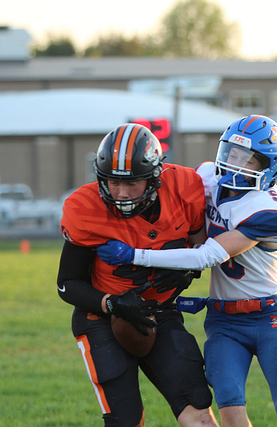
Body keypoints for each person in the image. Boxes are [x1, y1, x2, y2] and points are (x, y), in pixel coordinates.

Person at [97, 115, 277, 427]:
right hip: (223, 320)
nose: (235, 163)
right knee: (229, 406)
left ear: (270, 165)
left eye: (248, 159)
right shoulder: (207, 177)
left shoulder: (273, 208)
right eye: (231, 153)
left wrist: (136, 255)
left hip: (268, 318)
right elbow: (167, 192)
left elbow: (206, 256)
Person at [56, 123, 219, 427]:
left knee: (198, 406)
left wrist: (188, 270)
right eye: (113, 182)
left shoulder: (184, 188)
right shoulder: (85, 207)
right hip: (102, 317)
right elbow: (67, 284)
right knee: (125, 419)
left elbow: (201, 247)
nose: (121, 193)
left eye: (132, 183)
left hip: (159, 310)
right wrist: (113, 303)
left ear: (155, 177)